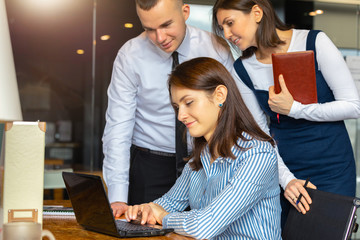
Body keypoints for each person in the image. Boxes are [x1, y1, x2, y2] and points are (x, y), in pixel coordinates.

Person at [212, 0, 360, 227]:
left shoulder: (313, 42)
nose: (227, 33)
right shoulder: (242, 69)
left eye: (230, 23)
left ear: (257, 12)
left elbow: (353, 106)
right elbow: (260, 134)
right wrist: (287, 180)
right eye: (223, 28)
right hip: (285, 171)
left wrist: (296, 110)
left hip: (333, 168)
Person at [102, 0, 234, 218]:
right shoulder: (130, 55)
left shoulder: (216, 48)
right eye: (149, 29)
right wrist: (117, 197)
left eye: (166, 25)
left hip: (205, 162)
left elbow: (230, 111)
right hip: (150, 165)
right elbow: (118, 128)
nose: (160, 38)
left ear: (185, 12)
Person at [125, 57, 282, 240]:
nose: (181, 116)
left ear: (219, 96)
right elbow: (169, 203)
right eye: (177, 107)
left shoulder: (258, 155)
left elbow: (204, 226)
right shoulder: (200, 157)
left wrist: (163, 217)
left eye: (189, 102)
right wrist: (145, 210)